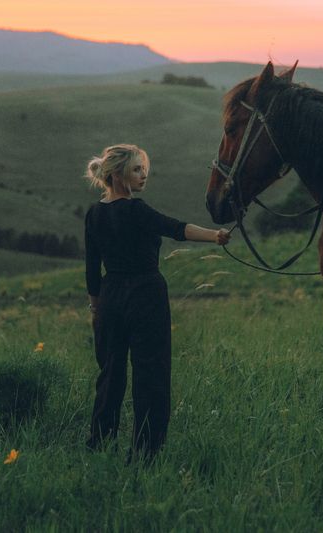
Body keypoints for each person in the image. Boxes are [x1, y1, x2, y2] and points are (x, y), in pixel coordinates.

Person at [84, 143, 230, 461]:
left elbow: (92, 269)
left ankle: (99, 443)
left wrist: (95, 309)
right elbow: (176, 229)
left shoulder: (94, 213)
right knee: (151, 373)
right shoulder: (137, 210)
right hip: (145, 295)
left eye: (144, 169)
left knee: (109, 374)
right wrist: (215, 236)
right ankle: (147, 452)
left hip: (109, 298)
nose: (144, 174)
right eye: (137, 169)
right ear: (119, 174)